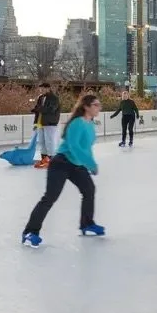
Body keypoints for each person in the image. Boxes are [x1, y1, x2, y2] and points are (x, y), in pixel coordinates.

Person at [22, 94, 105, 247]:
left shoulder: (90, 124)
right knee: (50, 197)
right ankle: (30, 232)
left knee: (89, 190)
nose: (98, 107)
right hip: (61, 163)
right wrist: (90, 164)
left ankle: (86, 224)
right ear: (86, 106)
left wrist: (90, 163)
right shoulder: (76, 123)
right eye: (95, 104)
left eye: (99, 104)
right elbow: (74, 147)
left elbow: (86, 148)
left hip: (77, 165)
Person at [32, 83, 61, 169]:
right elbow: (38, 111)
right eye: (41, 89)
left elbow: (51, 109)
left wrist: (38, 108)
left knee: (49, 141)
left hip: (50, 122)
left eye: (43, 89)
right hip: (40, 122)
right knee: (41, 141)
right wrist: (35, 123)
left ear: (48, 88)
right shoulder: (40, 98)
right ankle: (44, 159)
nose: (41, 91)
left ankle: (52, 160)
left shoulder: (54, 98)